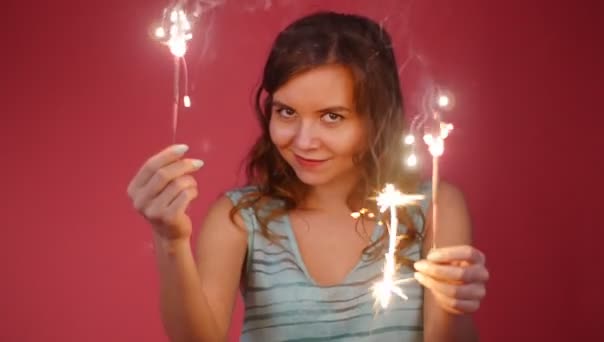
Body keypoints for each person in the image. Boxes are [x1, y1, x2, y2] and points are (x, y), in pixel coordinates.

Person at [127, 11, 489, 342]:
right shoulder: (240, 217)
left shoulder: (432, 208)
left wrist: (455, 308)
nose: (303, 140)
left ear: (376, 120)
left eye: (332, 117)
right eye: (286, 112)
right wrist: (169, 240)